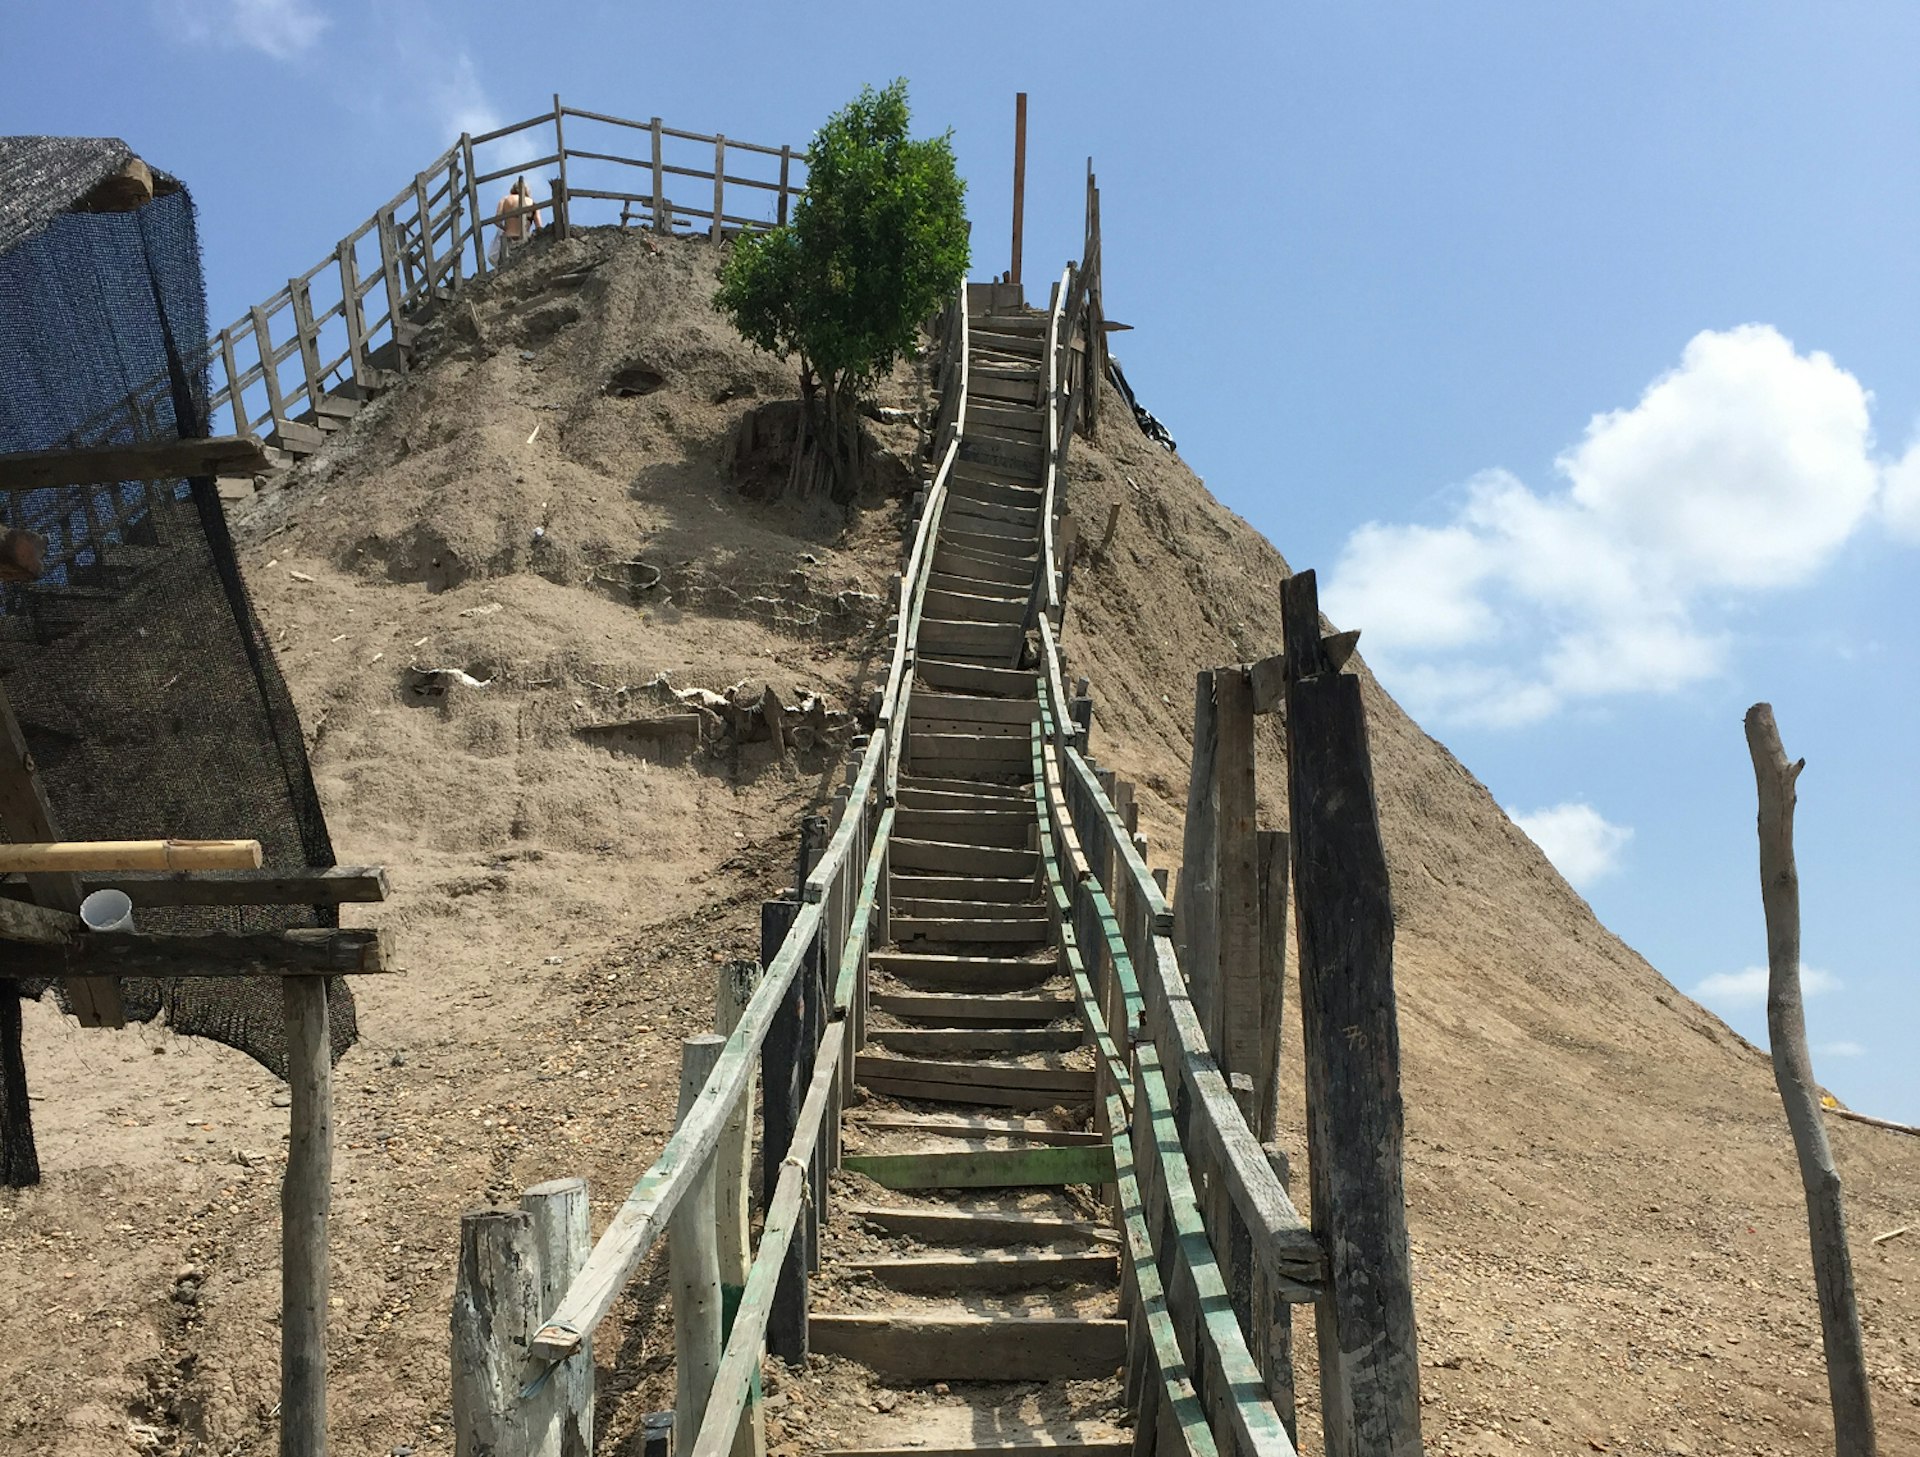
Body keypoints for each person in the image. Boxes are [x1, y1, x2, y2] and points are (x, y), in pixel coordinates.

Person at [491, 175, 542, 265]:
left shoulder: (505, 199)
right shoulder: (533, 204)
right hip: (525, 241)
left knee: (504, 267)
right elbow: (539, 226)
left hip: (507, 239)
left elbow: (497, 220)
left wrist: (505, 228)